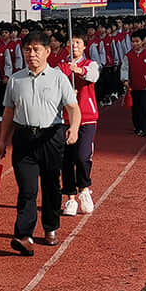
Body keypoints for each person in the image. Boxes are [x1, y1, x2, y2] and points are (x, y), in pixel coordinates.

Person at [0, 30, 80, 256]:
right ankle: (23, 235)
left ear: (47, 51)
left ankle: (50, 226)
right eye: (27, 50)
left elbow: (73, 107)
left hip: (51, 136)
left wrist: (73, 127)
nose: (31, 54)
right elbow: (8, 112)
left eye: (36, 50)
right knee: (27, 189)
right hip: (24, 139)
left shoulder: (59, 77)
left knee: (51, 185)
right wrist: (2, 141)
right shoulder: (15, 79)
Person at [58, 29, 99, 216]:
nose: (74, 46)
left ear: (84, 46)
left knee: (82, 157)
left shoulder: (91, 64)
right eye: (71, 43)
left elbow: (92, 76)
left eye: (77, 43)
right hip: (65, 119)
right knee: (66, 160)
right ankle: (70, 198)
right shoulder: (60, 67)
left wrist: (79, 70)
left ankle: (84, 188)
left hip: (87, 118)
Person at [120, 29, 146, 137]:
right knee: (135, 108)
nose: (135, 44)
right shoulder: (128, 56)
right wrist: (125, 80)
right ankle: (137, 127)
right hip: (133, 87)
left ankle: (145, 128)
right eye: (133, 41)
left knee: (144, 107)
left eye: (137, 41)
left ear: (142, 42)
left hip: (145, 87)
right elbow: (124, 69)